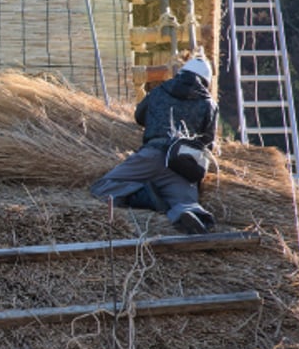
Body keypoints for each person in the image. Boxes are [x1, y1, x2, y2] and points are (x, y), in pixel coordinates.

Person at [90, 55, 218, 234]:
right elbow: (207, 145)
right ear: (206, 81)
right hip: (182, 164)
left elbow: (139, 116)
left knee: (102, 187)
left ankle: (144, 196)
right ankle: (187, 212)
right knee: (187, 204)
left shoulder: (160, 91)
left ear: (182, 73)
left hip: (151, 154)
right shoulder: (209, 104)